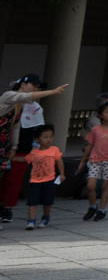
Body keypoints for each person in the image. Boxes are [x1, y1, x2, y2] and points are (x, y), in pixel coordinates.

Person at [1, 75, 66, 224]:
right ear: (23, 84)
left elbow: (16, 126)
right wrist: (53, 92)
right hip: (3, 144)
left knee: (12, 180)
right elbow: (28, 96)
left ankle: (6, 209)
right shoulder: (9, 96)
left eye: (38, 88)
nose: (36, 90)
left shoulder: (29, 107)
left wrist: (15, 146)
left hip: (10, 147)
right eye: (34, 86)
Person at [21, 127, 64, 230]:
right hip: (34, 181)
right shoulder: (34, 152)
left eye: (50, 137)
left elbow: (59, 162)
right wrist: (12, 158)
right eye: (45, 137)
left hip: (49, 181)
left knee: (47, 202)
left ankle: (45, 218)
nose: (48, 139)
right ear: (37, 139)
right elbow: (25, 159)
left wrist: (62, 173)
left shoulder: (54, 150)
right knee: (32, 202)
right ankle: (31, 220)